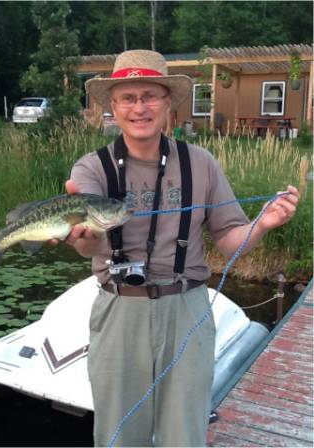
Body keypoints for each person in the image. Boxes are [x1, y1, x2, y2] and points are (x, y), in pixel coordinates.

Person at [60, 50, 299, 447]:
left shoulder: (200, 163)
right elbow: (90, 246)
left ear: (168, 103)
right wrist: (83, 237)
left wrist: (264, 223)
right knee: (118, 435)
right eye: (128, 98)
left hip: (187, 306)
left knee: (184, 434)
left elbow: (228, 238)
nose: (140, 108)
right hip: (120, 309)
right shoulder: (91, 168)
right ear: (114, 107)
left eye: (150, 95)